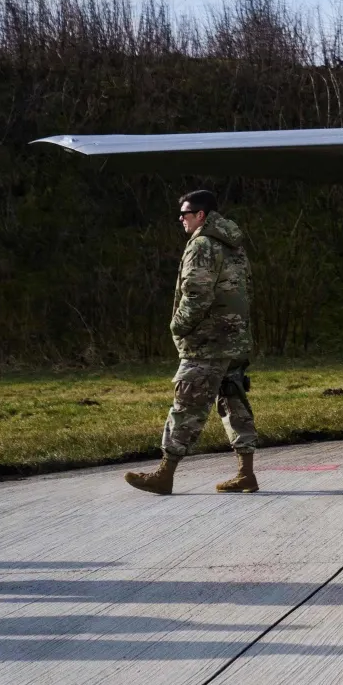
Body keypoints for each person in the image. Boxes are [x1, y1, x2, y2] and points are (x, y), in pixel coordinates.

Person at [124, 189, 259, 495]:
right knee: (233, 400)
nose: (180, 219)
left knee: (187, 404)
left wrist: (178, 326)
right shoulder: (232, 244)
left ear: (201, 215)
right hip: (234, 338)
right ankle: (246, 474)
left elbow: (197, 294)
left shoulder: (202, 244)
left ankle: (164, 474)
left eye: (185, 214)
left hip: (208, 341)